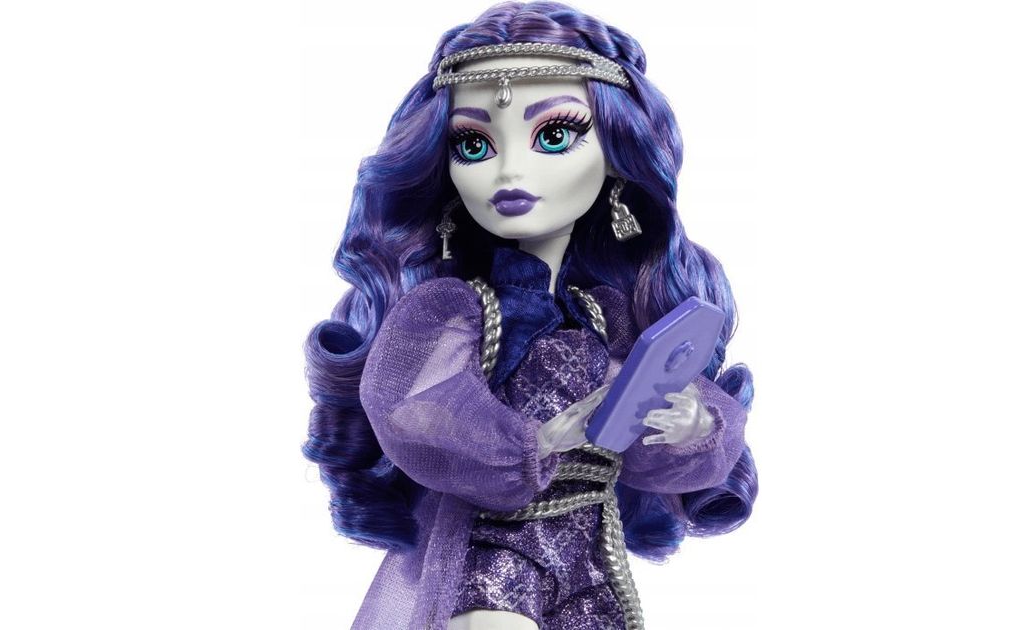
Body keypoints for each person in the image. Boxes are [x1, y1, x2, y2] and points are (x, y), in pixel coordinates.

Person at [303, 3, 757, 628]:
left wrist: (690, 423)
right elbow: (409, 409)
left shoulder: (609, 314)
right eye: (474, 144)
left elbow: (661, 437)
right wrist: (535, 443)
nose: (510, 171)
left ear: (617, 154)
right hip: (492, 552)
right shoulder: (454, 308)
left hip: (591, 559)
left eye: (554, 135)